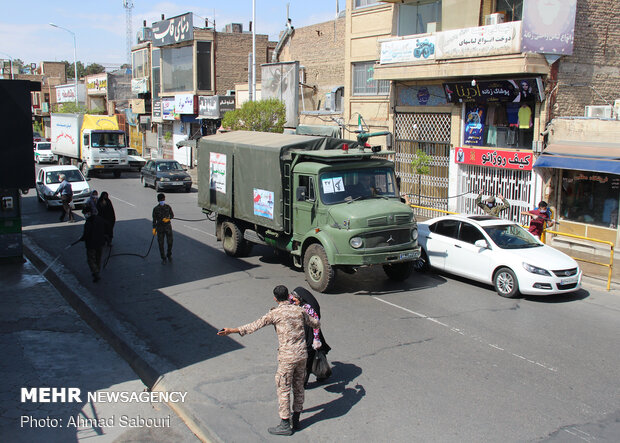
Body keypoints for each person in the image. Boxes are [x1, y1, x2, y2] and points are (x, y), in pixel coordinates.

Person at [218, 285, 320, 435]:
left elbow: (254, 326)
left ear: (275, 298)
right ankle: (296, 419)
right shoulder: (300, 310)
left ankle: (285, 424)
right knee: (298, 387)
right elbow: (316, 323)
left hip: (287, 357)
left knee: (284, 389)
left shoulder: (275, 314)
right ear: (288, 296)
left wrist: (231, 330)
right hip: (302, 355)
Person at [290, 286, 331, 387]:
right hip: (305, 335)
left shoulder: (308, 309)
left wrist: (316, 339)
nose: (293, 300)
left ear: (301, 298)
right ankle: (322, 374)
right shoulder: (299, 304)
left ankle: (303, 382)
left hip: (311, 337)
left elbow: (316, 325)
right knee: (318, 356)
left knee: (308, 359)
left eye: (295, 298)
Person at [78, 205, 107, 282]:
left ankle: (95, 271)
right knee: (98, 258)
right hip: (100, 243)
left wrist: (82, 238)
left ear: (89, 213)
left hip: (91, 244)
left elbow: (86, 234)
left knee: (91, 259)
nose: (85, 215)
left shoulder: (88, 222)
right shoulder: (99, 219)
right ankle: (97, 270)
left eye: (85, 213)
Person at [152, 193, 174, 264]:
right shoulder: (155, 209)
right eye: (161, 199)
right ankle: (163, 258)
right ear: (158, 200)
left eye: (163, 199)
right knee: (161, 244)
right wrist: (154, 229)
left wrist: (168, 219)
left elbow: (172, 215)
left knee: (170, 242)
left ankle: (169, 254)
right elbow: (154, 220)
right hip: (160, 228)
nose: (163, 200)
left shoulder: (168, 207)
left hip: (168, 227)